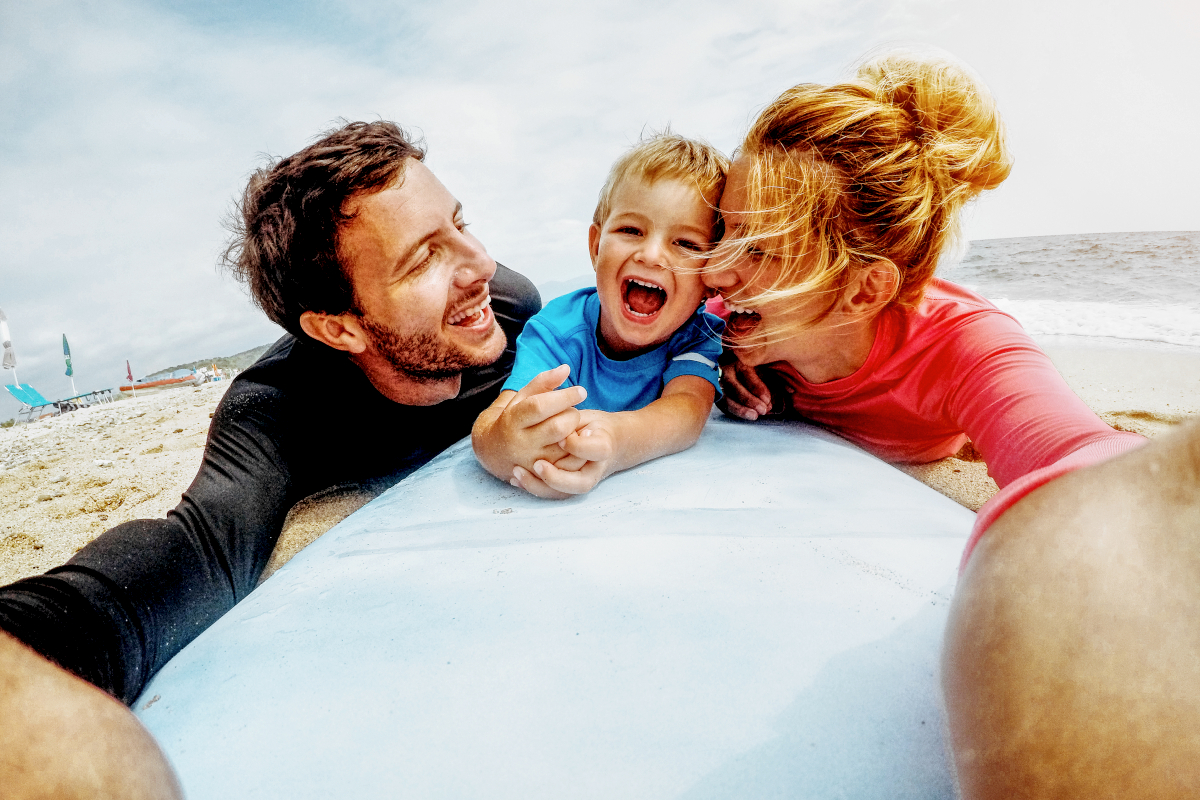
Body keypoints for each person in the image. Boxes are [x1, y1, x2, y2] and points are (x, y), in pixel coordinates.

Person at [704, 51, 1200, 795]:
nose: (715, 271)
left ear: (862, 290)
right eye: (721, 232)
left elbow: (1082, 459)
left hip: (940, 431)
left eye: (758, 252)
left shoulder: (966, 346)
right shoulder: (724, 325)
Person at [0, 120, 540, 798]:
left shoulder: (512, 308)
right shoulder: (277, 410)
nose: (479, 265)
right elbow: (192, 550)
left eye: (461, 224)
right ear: (336, 327)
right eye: (425, 258)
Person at [472, 133, 726, 498]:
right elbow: (493, 423)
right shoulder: (555, 330)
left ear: (711, 279)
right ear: (595, 247)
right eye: (631, 230)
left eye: (686, 243)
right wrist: (504, 446)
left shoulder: (698, 334)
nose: (652, 255)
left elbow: (686, 410)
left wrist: (616, 441)